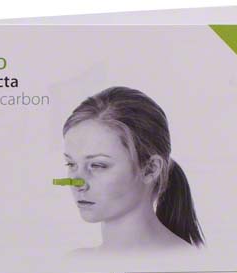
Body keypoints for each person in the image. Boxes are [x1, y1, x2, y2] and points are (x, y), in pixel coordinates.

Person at [62, 86, 204, 250]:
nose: (77, 182)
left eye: (98, 165)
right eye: (71, 164)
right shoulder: (75, 260)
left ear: (151, 169)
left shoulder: (188, 261)